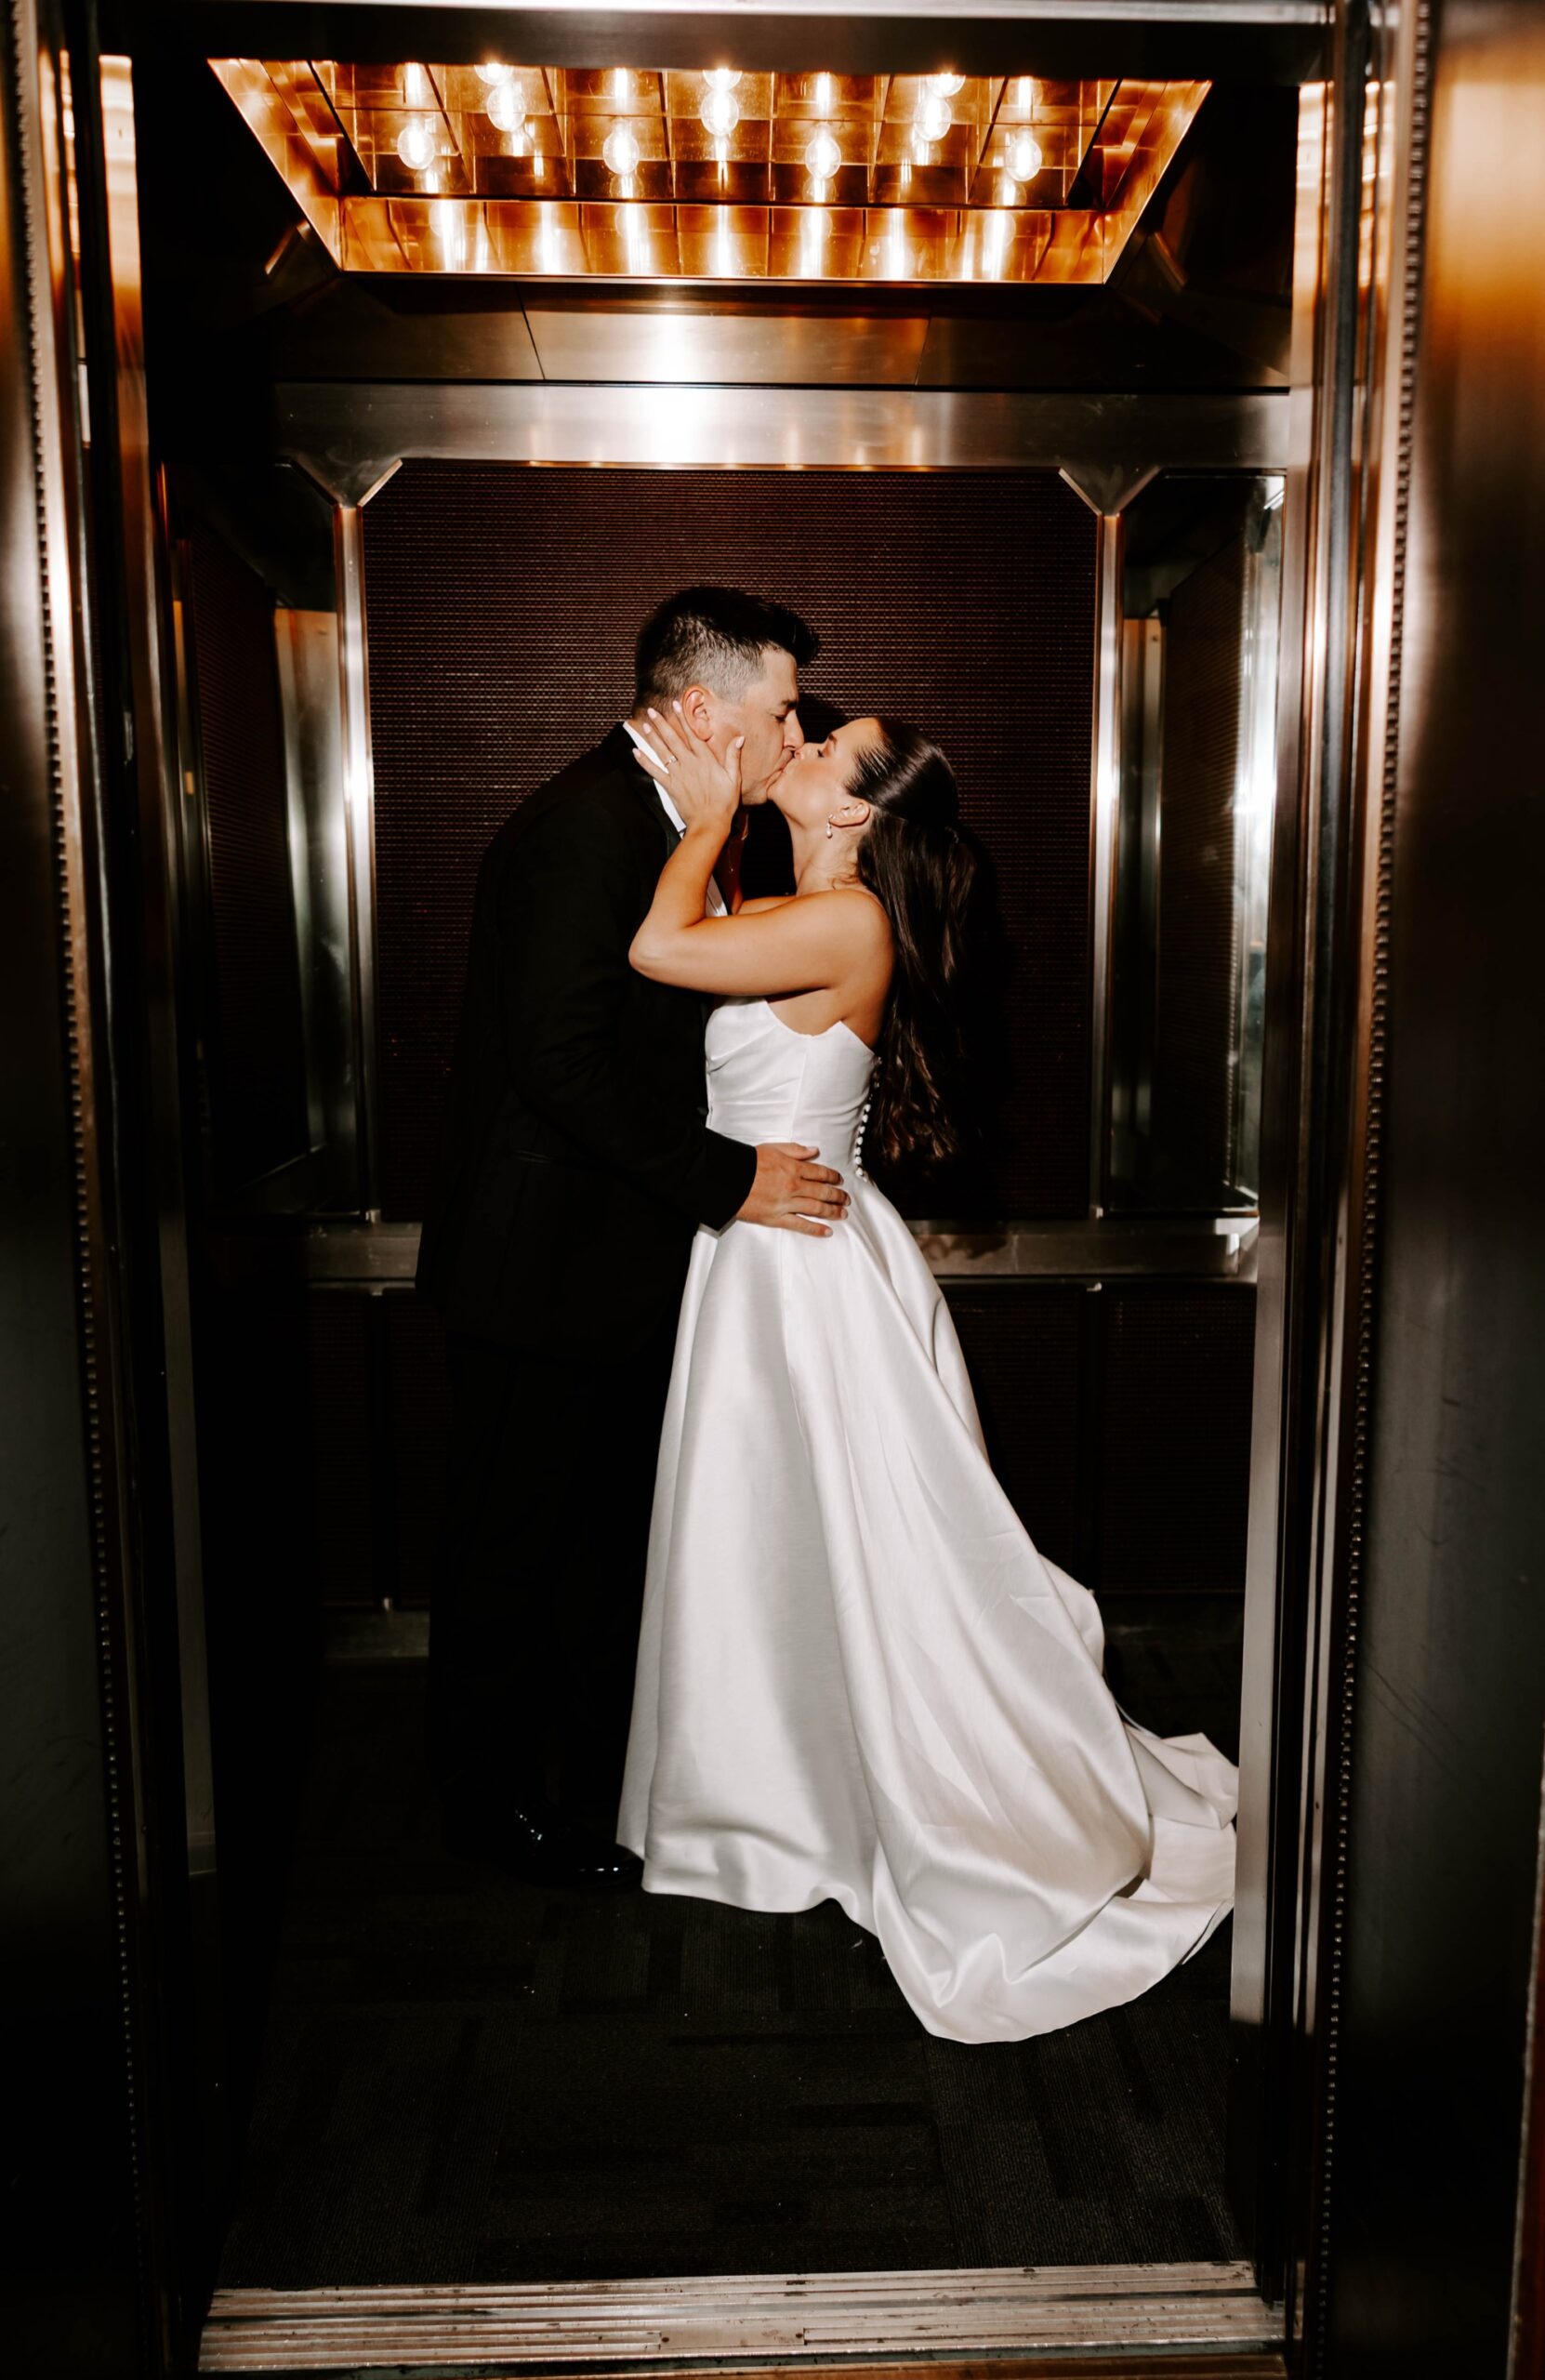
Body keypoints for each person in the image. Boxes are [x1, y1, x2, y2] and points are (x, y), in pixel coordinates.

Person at [618, 701, 1238, 2043]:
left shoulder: (843, 922)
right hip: (769, 1248)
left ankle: (833, 1805)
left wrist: (712, 805)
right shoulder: (802, 896)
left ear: (853, 810)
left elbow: (657, 950)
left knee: (851, 1545)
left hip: (797, 1278)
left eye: (826, 748)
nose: (802, 741)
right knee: (788, 1543)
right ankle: (780, 1792)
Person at [416, 588, 850, 1887]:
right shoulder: (583, 831)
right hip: (540, 1271)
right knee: (511, 1555)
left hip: (616, 1268)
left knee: (597, 1554)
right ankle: (486, 1823)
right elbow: (559, 1066)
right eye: (781, 709)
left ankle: (601, 1796)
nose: (793, 730)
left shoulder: (681, 830)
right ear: (701, 709)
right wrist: (731, 1182)